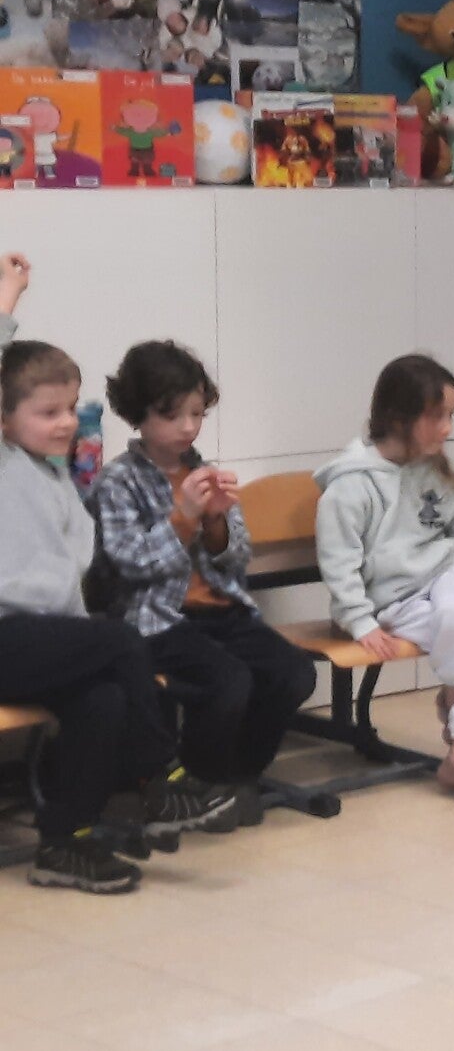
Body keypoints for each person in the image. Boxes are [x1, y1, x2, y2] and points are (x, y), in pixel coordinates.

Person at [0, 254, 235, 892]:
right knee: (118, 640)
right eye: (47, 412)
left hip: (43, 640)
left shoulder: (57, 478)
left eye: (70, 408)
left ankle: (64, 844)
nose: (66, 422)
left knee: (101, 699)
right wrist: (8, 295)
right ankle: (161, 778)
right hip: (7, 637)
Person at [94, 340, 318, 823]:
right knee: (228, 681)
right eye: (171, 415)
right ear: (138, 414)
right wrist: (183, 517)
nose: (187, 427)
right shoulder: (119, 481)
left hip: (222, 609)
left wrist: (215, 521)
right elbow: (128, 562)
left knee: (294, 673)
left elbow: (236, 558)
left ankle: (236, 777)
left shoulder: (203, 471)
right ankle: (198, 785)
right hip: (158, 619)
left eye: (196, 414)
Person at [315, 354, 454, 795]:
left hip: (446, 575)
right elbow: (339, 563)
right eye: (436, 416)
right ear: (398, 418)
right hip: (393, 602)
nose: (447, 428)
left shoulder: (434, 472)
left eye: (451, 416)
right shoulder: (350, 486)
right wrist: (361, 622)